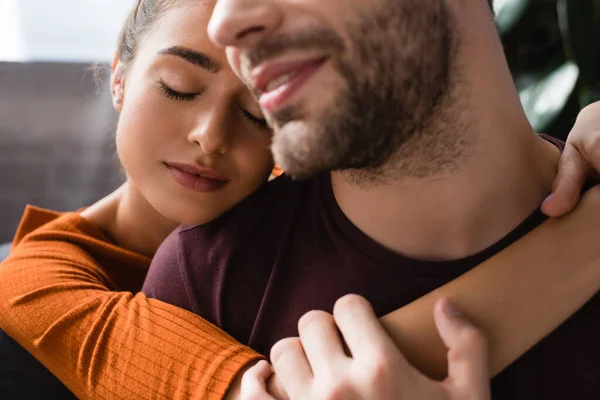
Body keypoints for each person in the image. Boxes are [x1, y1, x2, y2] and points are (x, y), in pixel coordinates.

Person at [1, 1, 600, 399]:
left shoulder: (315, 162)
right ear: (119, 78)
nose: (210, 137)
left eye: (255, 113)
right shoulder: (34, 278)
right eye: (179, 87)